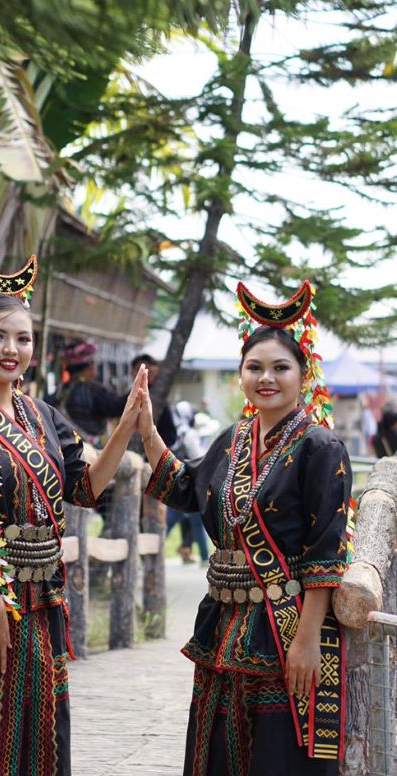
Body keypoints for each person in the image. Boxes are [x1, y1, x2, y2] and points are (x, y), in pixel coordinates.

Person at [0, 246, 146, 776]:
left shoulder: (42, 415)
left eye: (23, 338)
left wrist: (127, 427)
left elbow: (83, 488)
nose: (11, 348)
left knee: (40, 737)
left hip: (40, 607)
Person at [138, 280, 352, 776]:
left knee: (279, 755)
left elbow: (327, 551)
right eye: (254, 367)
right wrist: (147, 430)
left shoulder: (321, 448)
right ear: (241, 375)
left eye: (280, 367)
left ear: (303, 374)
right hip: (224, 622)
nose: (266, 378)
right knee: (219, 752)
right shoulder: (231, 440)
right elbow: (187, 488)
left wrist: (307, 639)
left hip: (286, 626)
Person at [61, 340, 126, 446]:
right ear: (90, 366)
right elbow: (117, 407)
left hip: (69, 446)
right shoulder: (91, 389)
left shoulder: (63, 390)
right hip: (91, 450)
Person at [167, 401, 209, 565]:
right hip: (191, 484)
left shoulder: (173, 433)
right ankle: (205, 558)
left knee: (168, 523)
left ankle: (149, 556)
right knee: (197, 523)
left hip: (175, 483)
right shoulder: (188, 434)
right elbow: (198, 457)